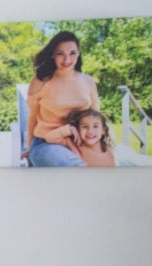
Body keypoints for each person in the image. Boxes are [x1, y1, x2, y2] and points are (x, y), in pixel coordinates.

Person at [24, 30, 99, 167]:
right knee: (75, 167)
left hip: (80, 142)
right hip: (46, 144)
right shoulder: (40, 81)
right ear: (52, 54)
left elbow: (96, 118)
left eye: (72, 53)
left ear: (79, 52)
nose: (67, 60)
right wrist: (29, 148)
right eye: (60, 54)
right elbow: (32, 117)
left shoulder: (88, 81)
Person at [70, 108, 152, 167]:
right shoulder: (75, 146)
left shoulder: (117, 152)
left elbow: (143, 161)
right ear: (77, 130)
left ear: (103, 130)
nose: (90, 131)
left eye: (95, 126)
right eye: (85, 127)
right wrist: (69, 129)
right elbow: (57, 138)